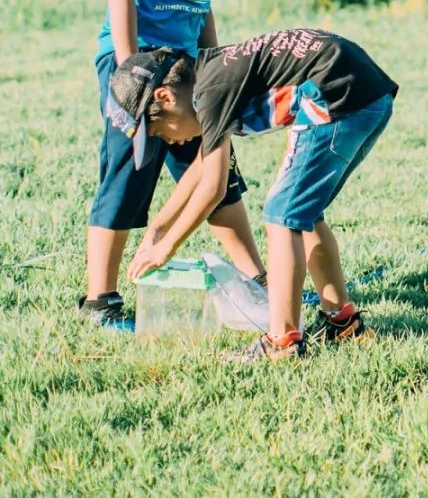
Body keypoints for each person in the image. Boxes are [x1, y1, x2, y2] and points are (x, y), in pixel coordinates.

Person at [81, 0, 264, 331]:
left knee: (215, 167)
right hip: (140, 71)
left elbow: (201, 1)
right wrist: (128, 69)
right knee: (129, 172)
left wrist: (214, 64)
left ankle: (258, 280)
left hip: (187, 69)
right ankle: (100, 300)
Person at [116, 28, 398, 362]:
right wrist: (157, 230)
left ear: (165, 97)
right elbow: (202, 166)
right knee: (301, 213)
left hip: (336, 95)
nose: (168, 140)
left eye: (158, 130)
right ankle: (342, 324)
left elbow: (213, 189)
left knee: (282, 215)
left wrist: (166, 249)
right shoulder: (209, 79)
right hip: (366, 95)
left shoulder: (210, 92)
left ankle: (282, 341)